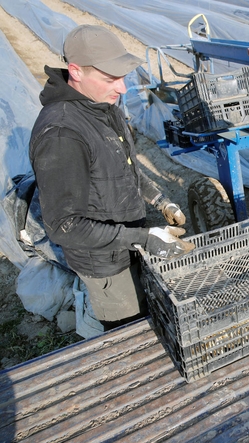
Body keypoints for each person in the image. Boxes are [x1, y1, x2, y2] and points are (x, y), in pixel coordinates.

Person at [29, 25, 195, 331]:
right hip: (105, 264)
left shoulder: (105, 108)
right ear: (76, 72)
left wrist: (160, 200)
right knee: (131, 331)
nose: (121, 88)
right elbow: (64, 226)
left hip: (129, 242)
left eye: (122, 77)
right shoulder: (63, 134)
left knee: (151, 310)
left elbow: (124, 167)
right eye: (110, 79)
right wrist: (143, 238)